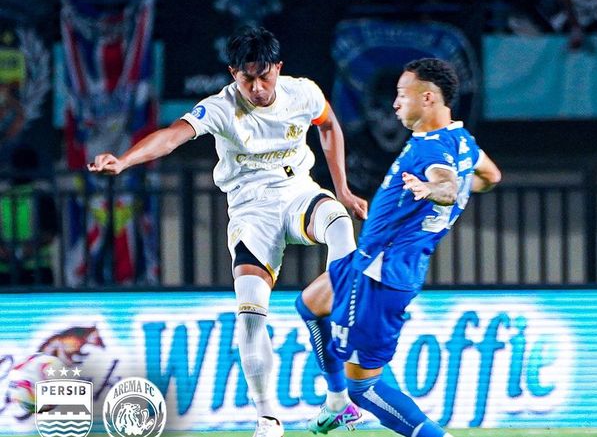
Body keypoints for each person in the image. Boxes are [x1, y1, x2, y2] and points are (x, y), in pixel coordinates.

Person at [88, 26, 368, 437]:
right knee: (251, 318)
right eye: (246, 77)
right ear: (233, 72)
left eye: (263, 76)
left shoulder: (303, 93)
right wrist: (125, 161)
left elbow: (328, 126)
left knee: (340, 222)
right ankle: (269, 419)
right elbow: (170, 138)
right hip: (252, 211)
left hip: (297, 194)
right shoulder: (221, 107)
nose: (256, 87)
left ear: (278, 68)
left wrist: (341, 188)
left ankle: (345, 325)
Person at [296, 58, 501, 436]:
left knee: (366, 386)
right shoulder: (462, 141)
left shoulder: (432, 153)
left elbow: (446, 184)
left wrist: (435, 191)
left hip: (381, 274)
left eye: (402, 95)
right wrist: (454, 191)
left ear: (427, 98)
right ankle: (336, 403)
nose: (395, 104)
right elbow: (490, 175)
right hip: (368, 263)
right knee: (310, 303)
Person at [0, 144, 58, 286]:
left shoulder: (41, 194)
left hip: (34, 269)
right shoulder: (42, 193)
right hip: (26, 269)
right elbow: (51, 232)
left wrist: (21, 252)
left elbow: (50, 231)